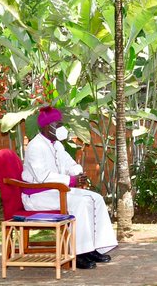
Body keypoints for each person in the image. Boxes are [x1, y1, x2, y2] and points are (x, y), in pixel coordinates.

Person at [22, 106, 117, 269]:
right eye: (58, 125)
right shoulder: (35, 146)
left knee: (95, 198)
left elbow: (69, 164)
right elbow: (42, 177)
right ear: (47, 126)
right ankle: (78, 253)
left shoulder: (56, 145)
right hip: (38, 196)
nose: (61, 128)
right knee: (80, 203)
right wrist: (71, 181)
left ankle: (93, 248)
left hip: (55, 191)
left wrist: (78, 173)